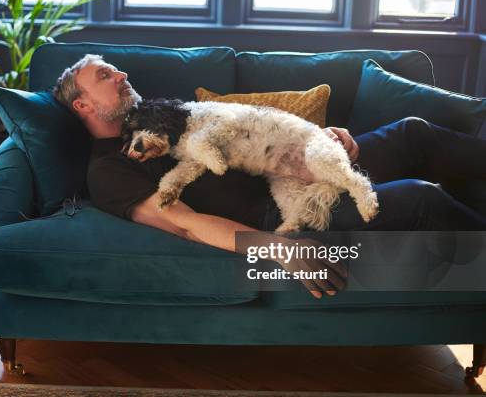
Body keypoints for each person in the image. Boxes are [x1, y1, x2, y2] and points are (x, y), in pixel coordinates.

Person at [53, 54, 486, 298]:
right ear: (83, 106)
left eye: (115, 69)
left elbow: (249, 129)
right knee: (420, 198)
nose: (122, 74)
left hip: (292, 160)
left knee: (414, 133)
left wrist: (325, 136)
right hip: (281, 207)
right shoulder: (109, 169)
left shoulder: (160, 114)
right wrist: (278, 250)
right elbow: (185, 224)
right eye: (105, 76)